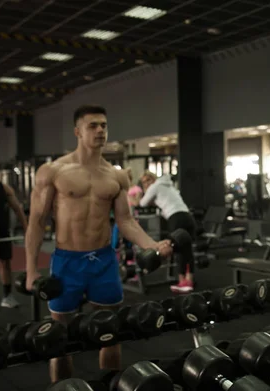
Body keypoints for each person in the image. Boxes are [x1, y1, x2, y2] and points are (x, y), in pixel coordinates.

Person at [24, 105, 173, 384]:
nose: (101, 131)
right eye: (93, 125)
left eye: (104, 125)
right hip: (67, 262)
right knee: (59, 338)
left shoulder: (117, 176)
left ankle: (110, 386)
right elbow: (35, 222)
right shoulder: (54, 171)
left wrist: (152, 245)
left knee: (110, 333)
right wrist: (32, 271)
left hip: (103, 261)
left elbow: (126, 221)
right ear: (77, 131)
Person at [139, 171, 196, 293]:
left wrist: (147, 196)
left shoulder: (155, 187)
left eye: (148, 180)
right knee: (187, 249)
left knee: (178, 249)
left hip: (176, 218)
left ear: (153, 179)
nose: (146, 183)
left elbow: (142, 203)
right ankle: (189, 281)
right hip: (187, 217)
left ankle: (182, 282)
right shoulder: (169, 185)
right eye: (144, 182)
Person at [0, 168, 28, 308]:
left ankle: (7, 297)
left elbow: (17, 209)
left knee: (5, 263)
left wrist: (28, 229)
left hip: (2, 232)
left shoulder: (3, 188)